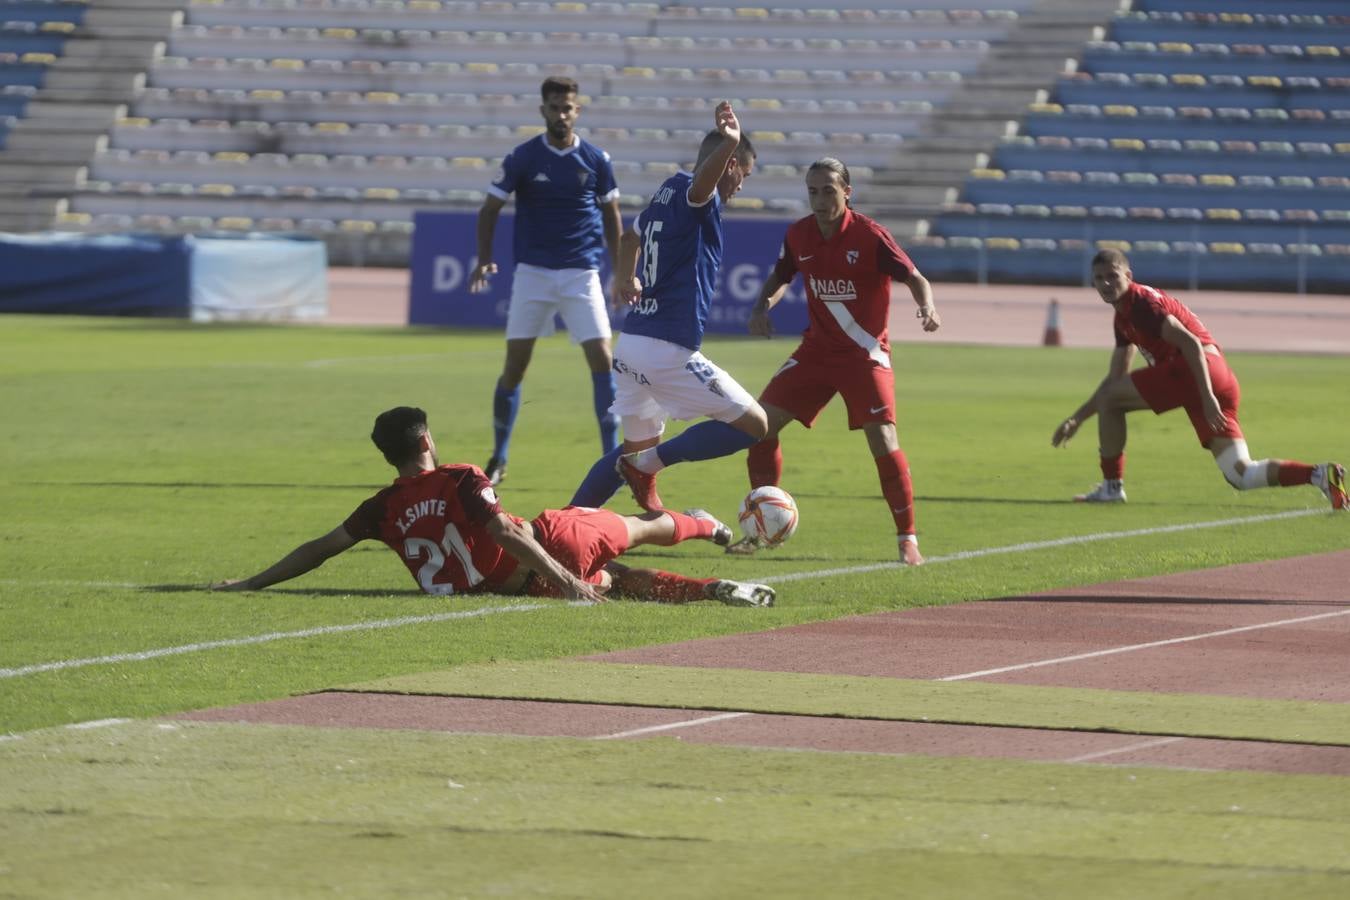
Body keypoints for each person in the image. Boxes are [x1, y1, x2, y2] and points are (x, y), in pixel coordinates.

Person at [211, 407, 775, 607]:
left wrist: (250, 584)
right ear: (427, 439)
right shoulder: (460, 477)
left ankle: (710, 591)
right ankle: (706, 523)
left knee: (620, 582)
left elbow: (319, 550)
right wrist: (567, 579)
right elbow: (506, 533)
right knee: (640, 526)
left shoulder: (379, 509)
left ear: (388, 455)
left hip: (511, 588)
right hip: (551, 545)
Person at [728, 158, 941, 565]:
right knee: (757, 427)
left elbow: (915, 277)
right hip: (816, 353)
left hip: (864, 356)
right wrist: (761, 307)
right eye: (813, 191)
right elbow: (781, 275)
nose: (820, 199)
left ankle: (907, 538)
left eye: (828, 190)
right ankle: (761, 529)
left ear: (847, 192)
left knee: (883, 440)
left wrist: (927, 307)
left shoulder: (870, 236)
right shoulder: (799, 234)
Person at [570, 100, 768, 512]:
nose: (741, 186)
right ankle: (649, 466)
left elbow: (629, 240)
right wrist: (730, 141)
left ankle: (565, 522)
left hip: (633, 342)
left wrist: (626, 276)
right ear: (729, 165)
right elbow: (703, 188)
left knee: (629, 455)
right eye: (743, 174)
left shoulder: (665, 191)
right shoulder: (698, 193)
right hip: (667, 349)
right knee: (755, 424)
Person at [1052, 249, 1346, 510]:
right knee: (1240, 474)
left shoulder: (1141, 305)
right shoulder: (1123, 318)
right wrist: (1077, 418)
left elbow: (1191, 344)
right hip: (1217, 376)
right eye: (1099, 278)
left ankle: (1111, 488)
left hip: (1196, 371)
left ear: (1128, 275)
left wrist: (1207, 398)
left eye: (1112, 276)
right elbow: (1114, 379)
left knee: (1112, 401)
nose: (1105, 284)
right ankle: (1319, 474)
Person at [468, 76, 624, 486]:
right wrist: (484, 259)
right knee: (515, 368)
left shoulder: (596, 159)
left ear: (578, 110)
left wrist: (622, 271)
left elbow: (612, 216)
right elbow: (489, 209)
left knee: (603, 359)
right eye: (554, 107)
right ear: (543, 110)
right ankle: (499, 458)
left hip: (581, 272)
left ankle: (613, 459)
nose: (561, 114)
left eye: (567, 107)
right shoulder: (522, 158)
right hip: (533, 274)